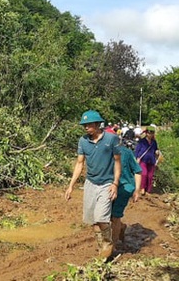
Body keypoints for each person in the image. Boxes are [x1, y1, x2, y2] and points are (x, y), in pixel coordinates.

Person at [65, 110, 121, 258]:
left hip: (106, 184)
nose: (86, 128)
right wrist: (71, 185)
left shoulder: (111, 139)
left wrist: (115, 183)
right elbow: (79, 163)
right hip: (90, 183)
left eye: (89, 125)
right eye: (84, 125)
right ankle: (102, 250)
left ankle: (108, 243)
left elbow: (117, 161)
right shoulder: (83, 141)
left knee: (101, 218)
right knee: (93, 221)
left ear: (97, 124)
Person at [111, 138, 141, 247]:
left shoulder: (127, 153)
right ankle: (121, 227)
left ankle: (112, 246)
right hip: (109, 186)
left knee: (115, 216)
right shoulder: (103, 152)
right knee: (106, 216)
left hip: (125, 187)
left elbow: (137, 171)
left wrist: (137, 190)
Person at [135, 126, 160, 196]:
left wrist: (157, 152)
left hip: (151, 160)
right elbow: (137, 151)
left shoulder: (154, 142)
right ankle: (142, 188)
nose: (151, 134)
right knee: (144, 174)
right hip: (143, 160)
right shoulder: (142, 141)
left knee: (150, 176)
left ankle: (148, 190)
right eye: (149, 133)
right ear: (146, 133)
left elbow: (156, 149)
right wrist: (137, 158)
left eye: (152, 133)